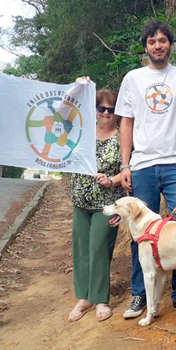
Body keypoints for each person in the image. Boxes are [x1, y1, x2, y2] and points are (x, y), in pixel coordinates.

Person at [115, 20, 176, 323]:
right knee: (139, 234)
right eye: (152, 41)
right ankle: (140, 292)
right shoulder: (132, 78)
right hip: (141, 165)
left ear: (170, 44)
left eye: (163, 40)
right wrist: (125, 164)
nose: (158, 45)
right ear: (146, 46)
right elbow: (126, 123)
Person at [68, 82, 126, 323]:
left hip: (108, 203)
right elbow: (60, 113)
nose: (105, 113)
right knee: (81, 249)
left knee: (99, 248)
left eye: (111, 109)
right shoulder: (81, 131)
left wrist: (112, 181)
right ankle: (84, 297)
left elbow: (128, 170)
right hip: (80, 200)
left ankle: (101, 298)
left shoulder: (123, 137)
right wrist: (77, 89)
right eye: (101, 108)